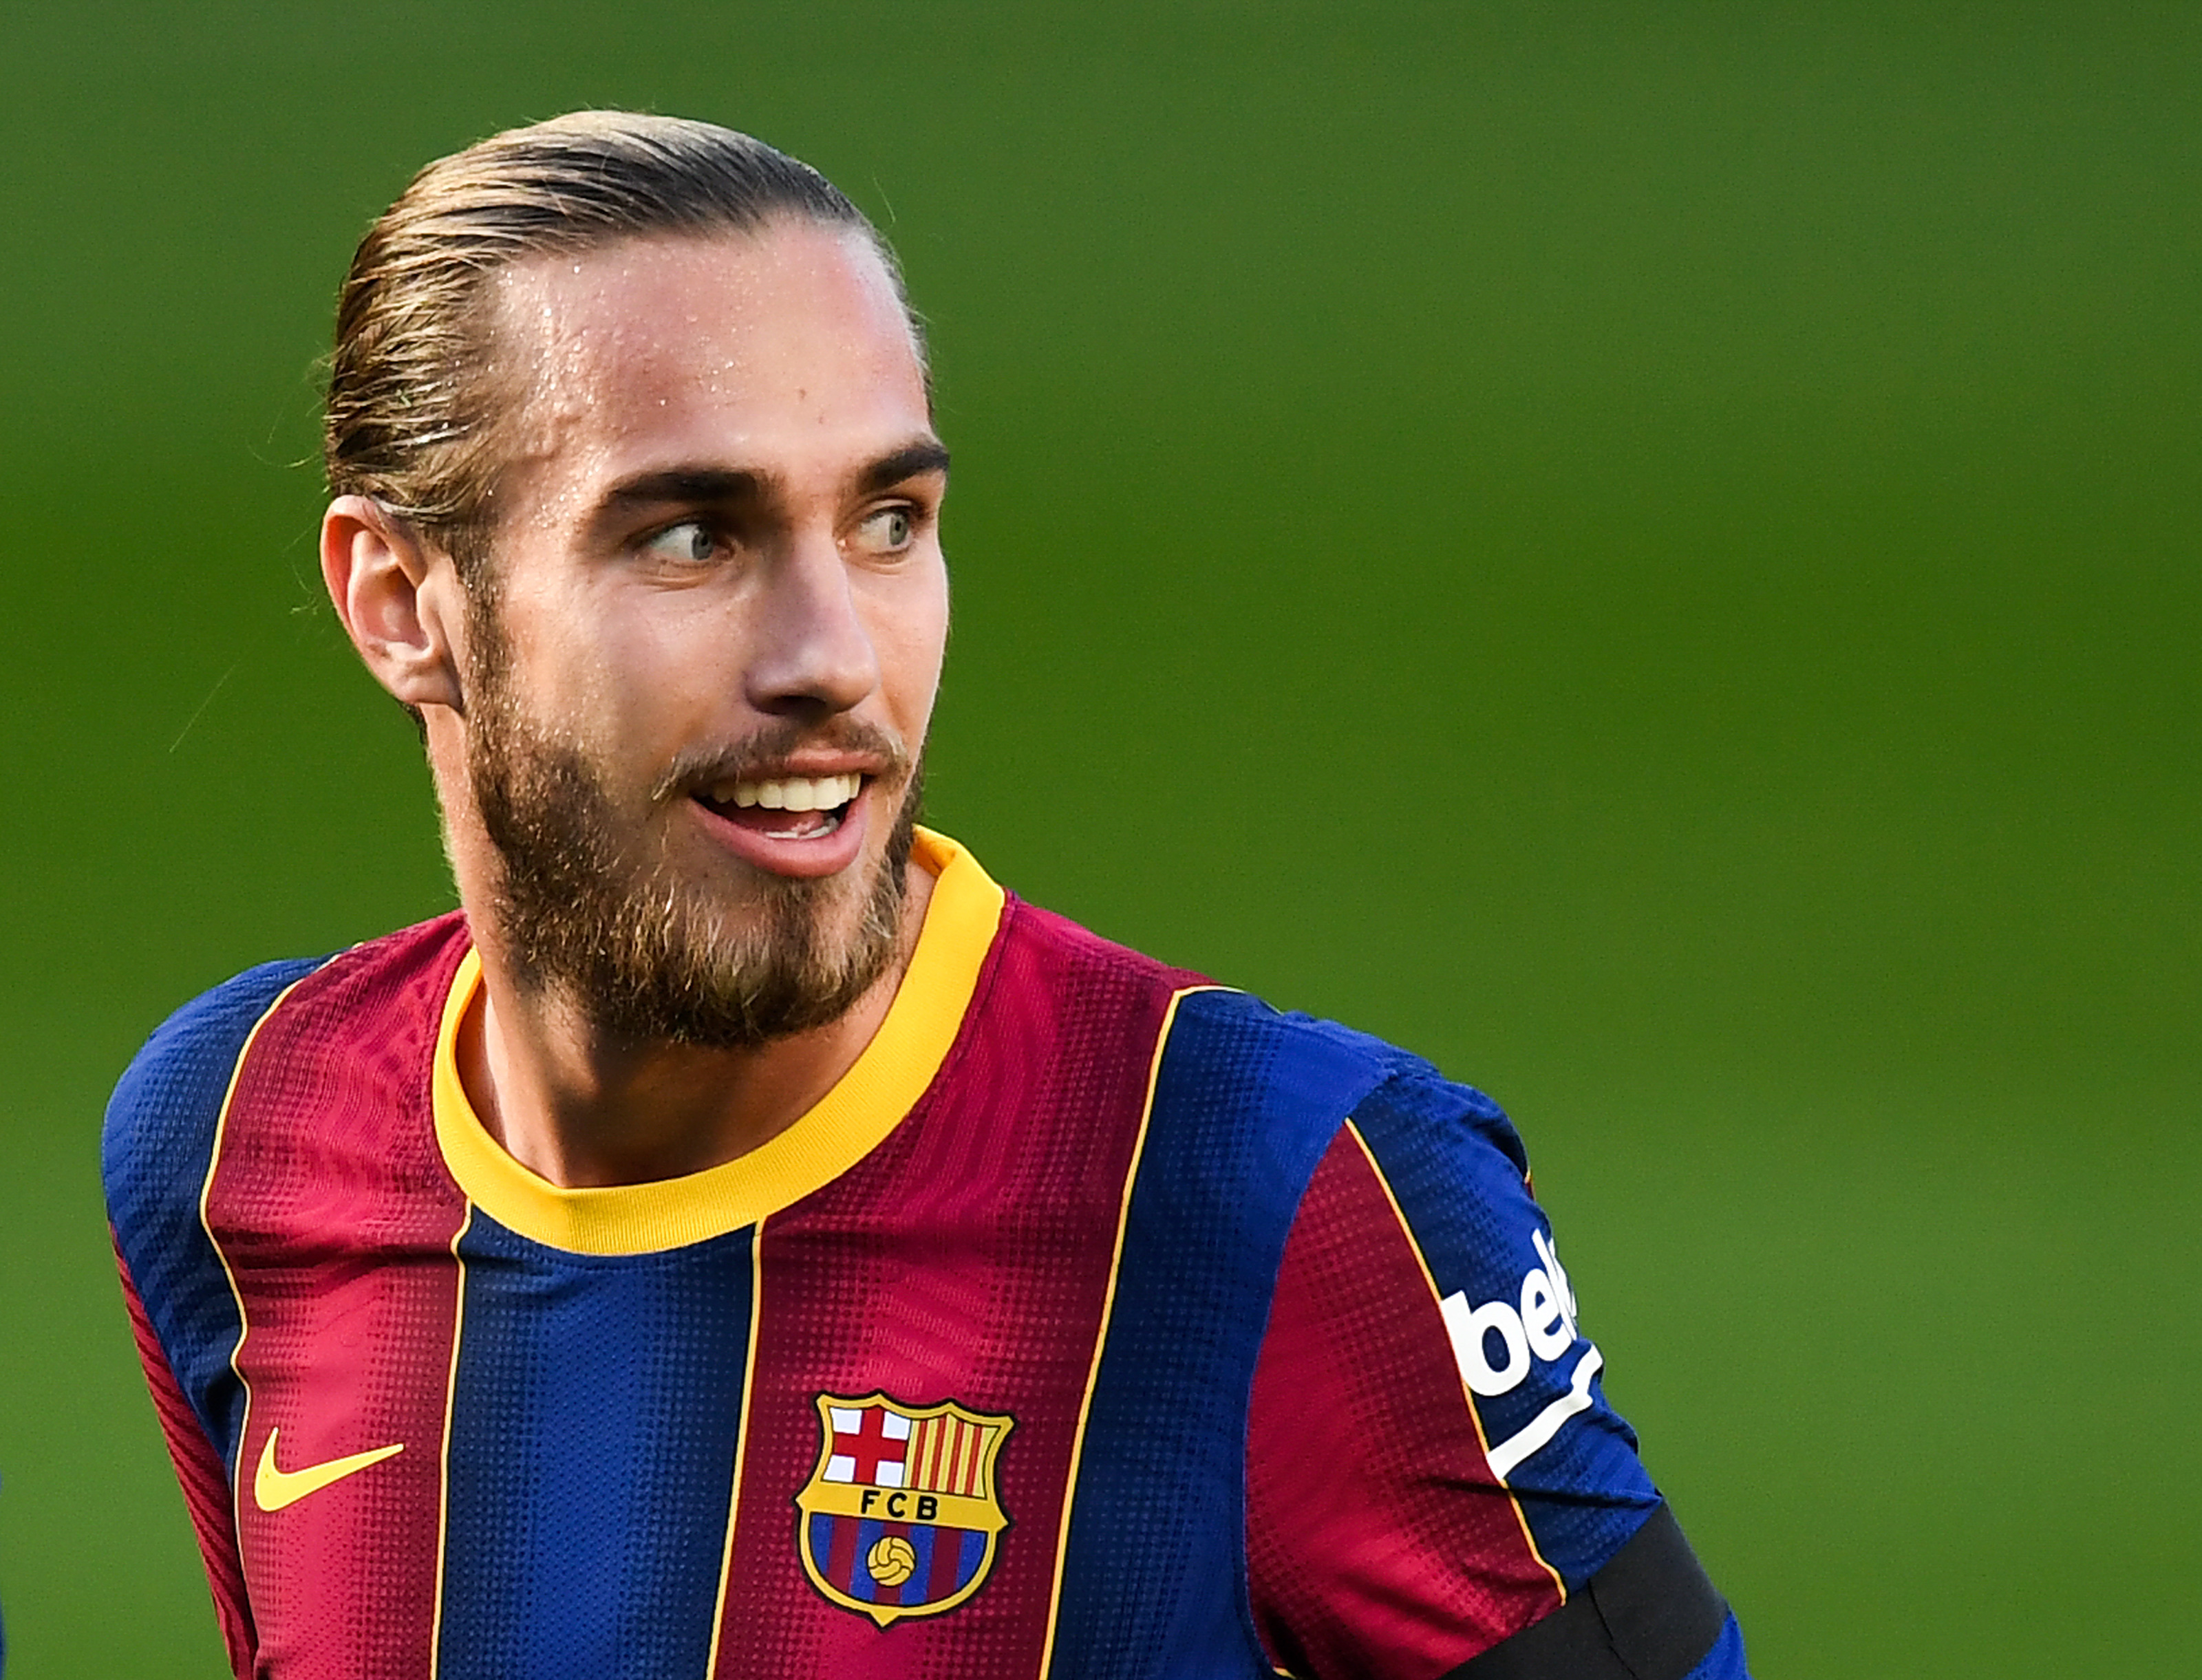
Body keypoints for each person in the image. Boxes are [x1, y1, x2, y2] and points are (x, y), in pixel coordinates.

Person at [103, 112, 1749, 1680]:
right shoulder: (233, 1137)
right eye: (691, 538)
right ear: (402, 602)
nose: (833, 658)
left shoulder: (1277, 1186)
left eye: (889, 522)